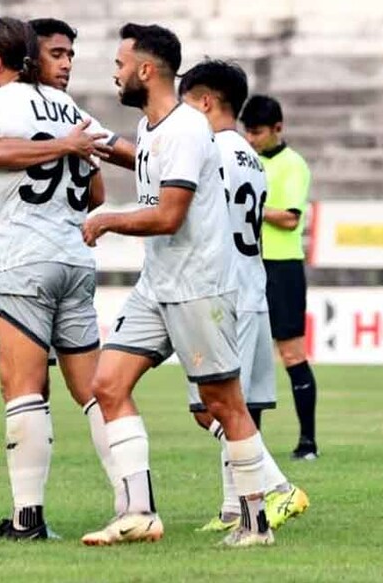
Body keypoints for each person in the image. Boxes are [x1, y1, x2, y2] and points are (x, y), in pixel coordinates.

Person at [0, 17, 126, 540]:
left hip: (16, 258)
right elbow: (116, 160)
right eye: (59, 54)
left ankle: (25, 517)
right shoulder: (71, 115)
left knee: (19, 386)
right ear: (34, 57)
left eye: (69, 55)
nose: (67, 63)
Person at [79, 23, 274, 548]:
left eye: (121, 65)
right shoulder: (151, 128)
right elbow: (142, 159)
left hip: (198, 286)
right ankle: (138, 512)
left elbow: (168, 215)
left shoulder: (189, 128)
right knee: (107, 386)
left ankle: (256, 523)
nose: (115, 74)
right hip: (158, 284)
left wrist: (106, 220)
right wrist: (89, 140)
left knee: (223, 403)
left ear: (145, 70)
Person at [178, 59, 311, 533]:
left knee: (211, 407)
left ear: (207, 101)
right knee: (232, 404)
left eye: (187, 101)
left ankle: (276, 485)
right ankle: (235, 505)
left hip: (221, 293)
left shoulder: (211, 152)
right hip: (251, 287)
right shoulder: (251, 157)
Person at [240, 95, 319, 461]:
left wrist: (251, 204)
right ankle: (253, 443)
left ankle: (307, 442)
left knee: (291, 352)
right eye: (248, 132)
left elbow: (290, 218)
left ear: (278, 129)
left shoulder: (293, 165)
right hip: (249, 264)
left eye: (257, 133)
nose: (252, 139)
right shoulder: (246, 160)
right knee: (252, 353)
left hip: (282, 266)